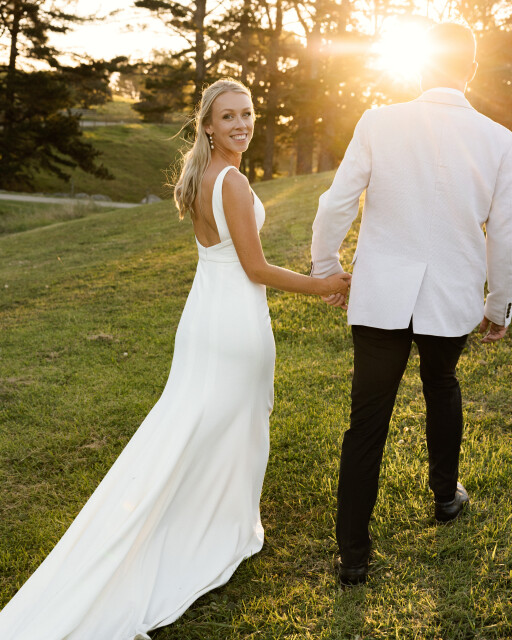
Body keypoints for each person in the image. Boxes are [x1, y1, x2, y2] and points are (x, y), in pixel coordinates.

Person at [0, 79, 350, 639]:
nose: (242, 124)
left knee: (196, 427)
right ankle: (217, 533)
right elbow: (256, 269)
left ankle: (206, 522)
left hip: (205, 316)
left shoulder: (201, 174)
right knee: (230, 426)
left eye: (247, 113)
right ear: (207, 125)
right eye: (228, 116)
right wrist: (325, 285)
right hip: (234, 321)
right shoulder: (231, 181)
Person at [310, 22, 512, 587]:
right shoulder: (499, 140)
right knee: (441, 384)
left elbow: (336, 202)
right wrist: (499, 304)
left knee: (367, 420)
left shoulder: (379, 121)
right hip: (451, 295)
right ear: (471, 70)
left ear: (421, 67)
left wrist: (325, 269)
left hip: (381, 295)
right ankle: (445, 497)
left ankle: (353, 556)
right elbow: (505, 235)